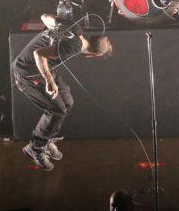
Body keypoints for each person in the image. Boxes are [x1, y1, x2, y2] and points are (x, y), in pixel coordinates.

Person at [11, 13, 113, 171]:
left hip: (43, 69)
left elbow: (44, 16)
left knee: (67, 101)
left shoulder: (76, 28)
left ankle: (47, 138)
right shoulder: (73, 47)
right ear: (92, 55)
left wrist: (54, 29)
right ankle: (35, 148)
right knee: (57, 109)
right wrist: (50, 82)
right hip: (27, 72)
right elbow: (38, 54)